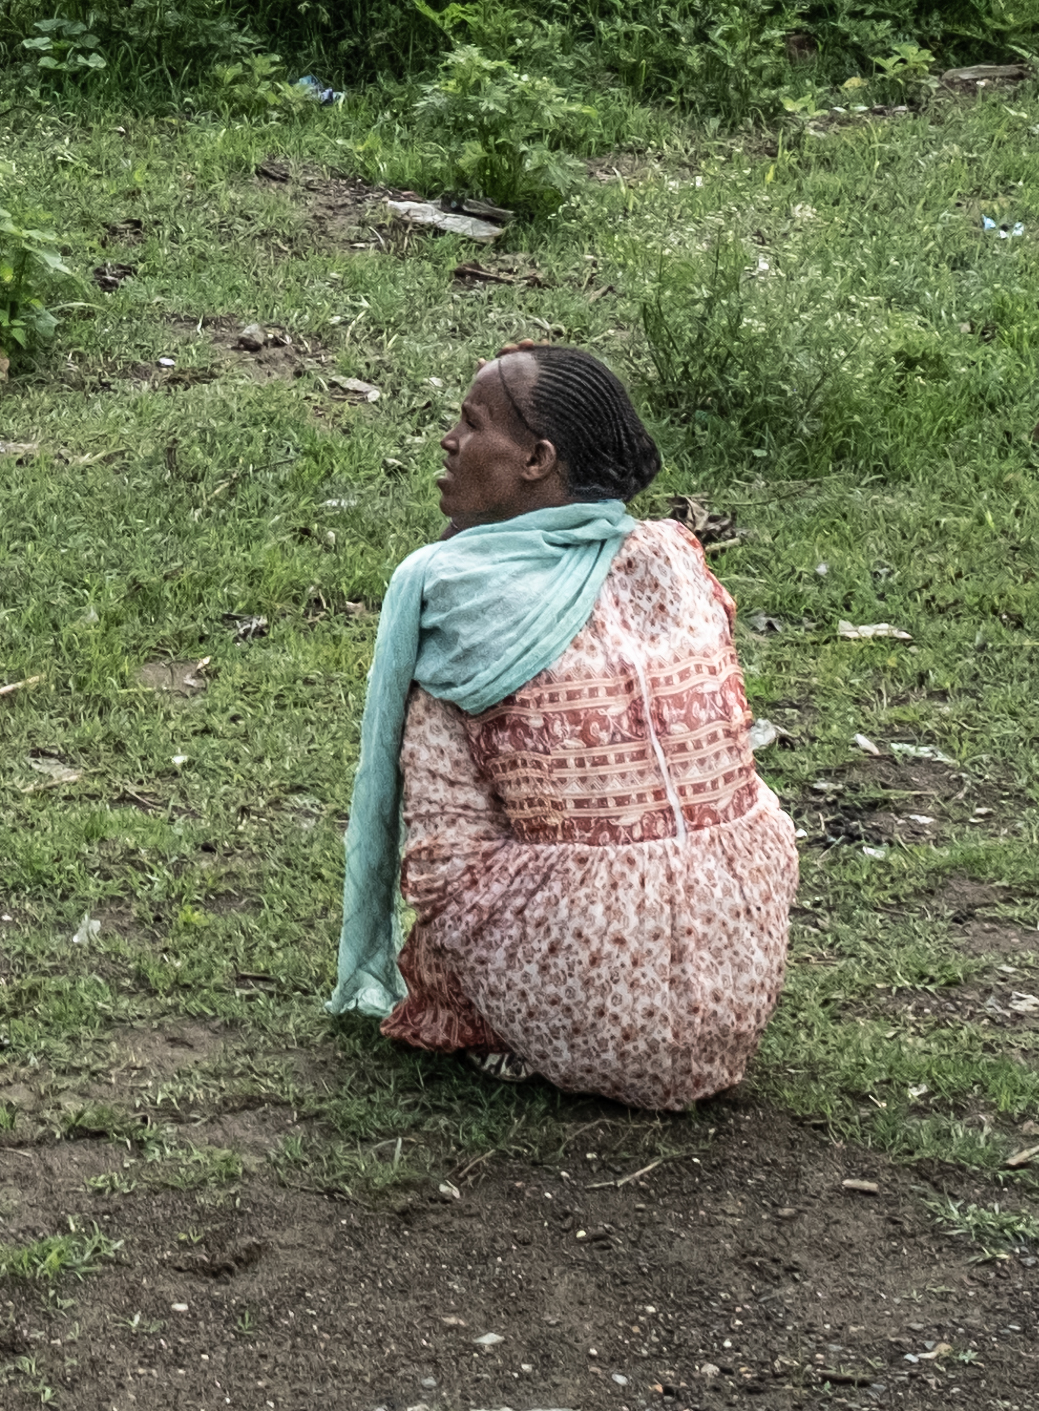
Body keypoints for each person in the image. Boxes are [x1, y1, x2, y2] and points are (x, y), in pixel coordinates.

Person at [329, 344, 797, 1110]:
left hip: (582, 1001)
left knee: (447, 714)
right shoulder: (673, 559)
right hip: (732, 977)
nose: (448, 442)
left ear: (538, 460)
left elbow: (444, 856)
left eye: (471, 425)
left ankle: (496, 1028)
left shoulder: (455, 592)